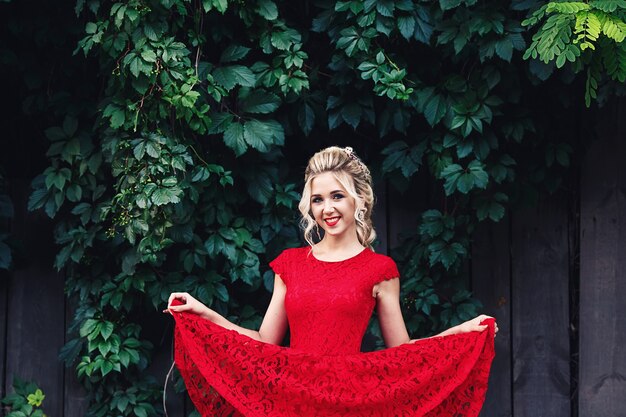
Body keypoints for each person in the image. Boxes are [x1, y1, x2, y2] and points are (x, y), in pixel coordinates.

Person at [166, 146, 498, 417]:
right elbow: (264, 340)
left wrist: (461, 332)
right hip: (291, 401)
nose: (327, 208)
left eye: (337, 196)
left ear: (359, 199)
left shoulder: (379, 269)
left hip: (352, 402)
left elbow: (402, 353)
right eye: (318, 199)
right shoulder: (291, 264)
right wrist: (202, 312)